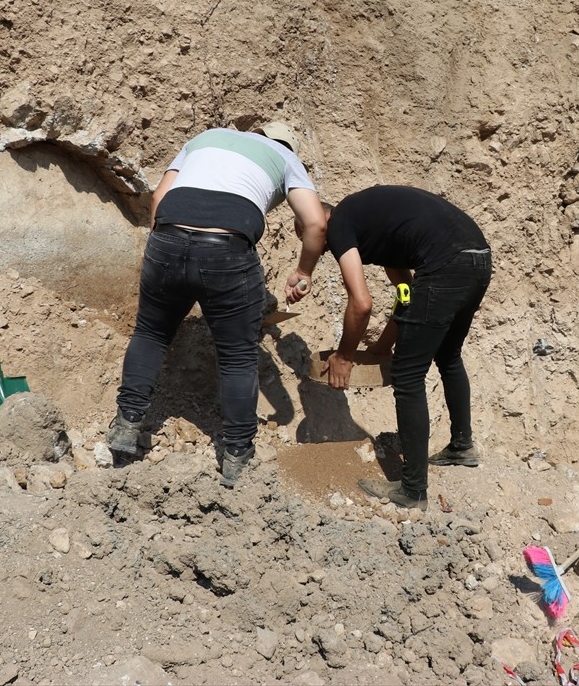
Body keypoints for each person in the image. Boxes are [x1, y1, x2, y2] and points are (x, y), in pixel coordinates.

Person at [108, 122, 326, 487]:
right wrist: (303, 270)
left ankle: (126, 426)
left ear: (256, 131)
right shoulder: (286, 157)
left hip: (168, 235)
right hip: (227, 248)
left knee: (150, 333)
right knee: (237, 356)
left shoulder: (204, 138)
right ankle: (237, 457)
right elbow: (316, 224)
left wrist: (165, 247)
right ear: (288, 146)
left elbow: (160, 197)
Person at [319, 186, 492, 511]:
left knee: (408, 376)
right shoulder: (383, 232)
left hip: (447, 265)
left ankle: (412, 490)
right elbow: (406, 293)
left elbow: (361, 304)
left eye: (319, 241)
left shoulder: (339, 222)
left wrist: (343, 356)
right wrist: (384, 346)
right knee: (448, 354)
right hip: (477, 260)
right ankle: (462, 446)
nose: (326, 249)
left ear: (321, 223)